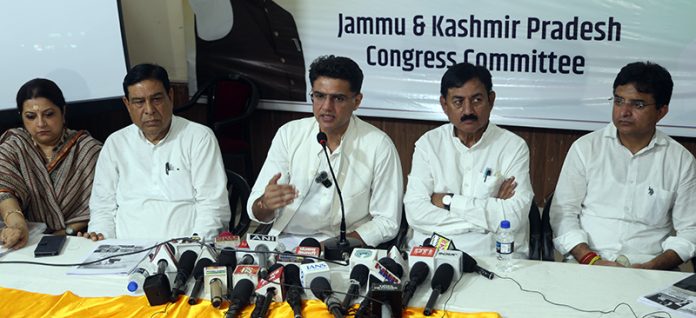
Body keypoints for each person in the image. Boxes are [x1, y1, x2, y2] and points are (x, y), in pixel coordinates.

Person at [550, 61, 696, 270]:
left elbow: (690, 231)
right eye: (619, 101)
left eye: (637, 105)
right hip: (589, 264)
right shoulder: (585, 148)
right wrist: (591, 259)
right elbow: (563, 214)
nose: (624, 112)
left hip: (651, 269)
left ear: (661, 111)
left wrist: (652, 267)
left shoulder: (681, 161)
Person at [248, 55, 403, 249]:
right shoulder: (289, 134)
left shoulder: (378, 145)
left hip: (346, 247)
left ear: (357, 101)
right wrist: (266, 204)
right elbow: (256, 210)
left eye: (338, 98)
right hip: (287, 243)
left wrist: (329, 247)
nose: (326, 107)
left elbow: (387, 222)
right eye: (319, 96)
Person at [83, 63, 230, 241]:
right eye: (139, 102)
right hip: (125, 252)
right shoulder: (116, 143)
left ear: (171, 96)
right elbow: (102, 208)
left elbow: (213, 206)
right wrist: (103, 238)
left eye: (156, 99)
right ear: (127, 104)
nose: (149, 110)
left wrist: (193, 246)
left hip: (185, 250)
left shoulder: (198, 137)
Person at [403, 62, 533, 257]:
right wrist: (488, 218)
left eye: (477, 100)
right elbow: (415, 213)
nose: (468, 111)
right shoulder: (428, 144)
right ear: (444, 105)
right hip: (433, 255)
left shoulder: (513, 147)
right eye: (458, 102)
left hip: (494, 257)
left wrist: (448, 201)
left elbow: (513, 217)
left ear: (491, 99)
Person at [0, 78, 102, 249]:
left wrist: (64, 232)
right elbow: (4, 191)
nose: (40, 123)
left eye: (49, 114)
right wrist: (17, 225)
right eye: (31, 117)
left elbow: (103, 204)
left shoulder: (88, 150)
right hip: (22, 241)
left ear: (63, 112)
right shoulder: (14, 146)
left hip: (77, 240)